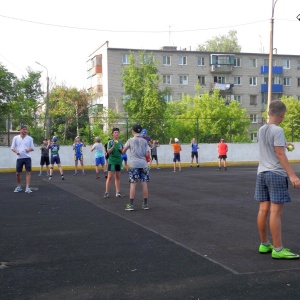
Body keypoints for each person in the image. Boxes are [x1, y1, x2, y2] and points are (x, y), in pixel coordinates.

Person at [255, 100, 300, 259]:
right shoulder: (278, 130)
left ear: (269, 113)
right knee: (276, 212)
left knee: (263, 210)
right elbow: (280, 154)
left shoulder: (261, 129)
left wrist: (285, 144)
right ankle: (278, 249)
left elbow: (272, 147)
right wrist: (292, 175)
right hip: (275, 174)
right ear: (282, 115)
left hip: (262, 174)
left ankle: (264, 244)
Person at [122, 124, 150, 211]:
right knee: (144, 183)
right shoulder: (144, 141)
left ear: (133, 131)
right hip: (143, 164)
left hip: (134, 164)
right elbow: (147, 154)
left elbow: (123, 151)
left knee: (133, 184)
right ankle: (145, 204)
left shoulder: (130, 140)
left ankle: (131, 205)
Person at [11, 125, 35, 193]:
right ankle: (19, 186)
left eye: (26, 129)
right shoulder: (16, 138)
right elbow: (12, 148)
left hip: (27, 158)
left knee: (28, 172)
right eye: (23, 129)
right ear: (20, 130)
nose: (25, 131)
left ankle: (27, 187)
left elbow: (32, 148)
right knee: (17, 173)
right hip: (19, 158)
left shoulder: (30, 138)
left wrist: (28, 149)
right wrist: (16, 152)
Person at [104, 128, 124, 198]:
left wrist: (121, 150)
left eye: (117, 133)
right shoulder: (110, 142)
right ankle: (106, 192)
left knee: (117, 177)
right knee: (109, 177)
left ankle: (117, 192)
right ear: (112, 134)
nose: (116, 134)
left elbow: (123, 152)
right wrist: (114, 146)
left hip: (118, 161)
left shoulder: (120, 143)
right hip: (112, 161)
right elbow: (108, 152)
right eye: (115, 132)